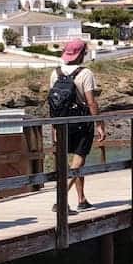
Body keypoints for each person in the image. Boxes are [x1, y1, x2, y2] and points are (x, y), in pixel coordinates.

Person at [48, 40, 105, 212]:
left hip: (61, 123)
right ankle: (62, 199)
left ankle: (81, 199)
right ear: (81, 54)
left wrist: (53, 127)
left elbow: (53, 103)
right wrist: (100, 124)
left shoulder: (55, 73)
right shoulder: (85, 73)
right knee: (78, 161)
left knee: (65, 162)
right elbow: (91, 102)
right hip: (81, 122)